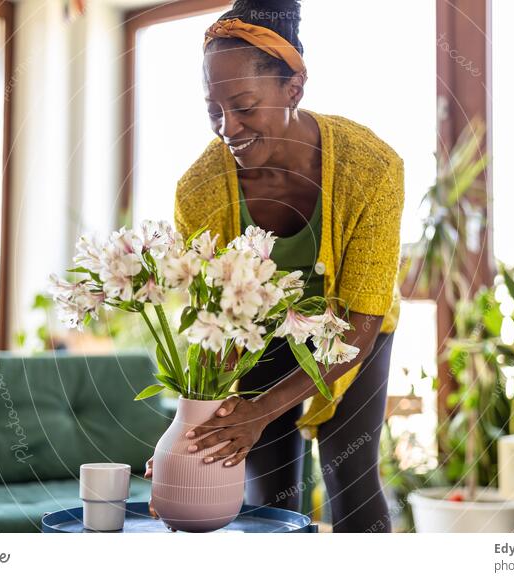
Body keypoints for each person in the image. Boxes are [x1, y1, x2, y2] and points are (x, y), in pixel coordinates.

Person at [145, 0, 404, 533]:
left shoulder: (372, 167)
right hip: (258, 341)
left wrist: (265, 410)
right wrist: (191, 433)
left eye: (243, 106)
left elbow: (362, 319)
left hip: (350, 330)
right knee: (270, 500)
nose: (226, 127)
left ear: (294, 88)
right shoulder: (199, 190)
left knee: (351, 478)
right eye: (212, 109)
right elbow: (214, 322)